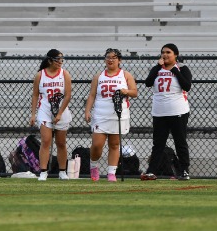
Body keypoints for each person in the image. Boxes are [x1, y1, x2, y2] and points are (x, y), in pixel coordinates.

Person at [84, 48, 138, 181]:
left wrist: (126, 91)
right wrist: (87, 110)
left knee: (114, 144)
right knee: (97, 145)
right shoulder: (99, 76)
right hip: (101, 114)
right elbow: (92, 95)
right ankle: (93, 166)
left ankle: (111, 173)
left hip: (118, 114)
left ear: (119, 60)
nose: (110, 60)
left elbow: (134, 92)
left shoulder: (125, 75)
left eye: (114, 57)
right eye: (108, 57)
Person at [142, 43, 192, 181]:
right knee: (158, 144)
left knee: (180, 142)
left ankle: (184, 171)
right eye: (163, 52)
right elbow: (148, 83)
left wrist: (175, 71)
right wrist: (158, 67)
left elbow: (187, 86)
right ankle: (151, 171)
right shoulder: (157, 69)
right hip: (159, 112)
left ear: (176, 54)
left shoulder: (182, 68)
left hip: (178, 111)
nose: (165, 55)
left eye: (168, 52)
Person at [29, 49, 72, 181]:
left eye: (61, 60)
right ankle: (43, 171)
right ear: (50, 61)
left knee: (61, 143)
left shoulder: (64, 74)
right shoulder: (40, 75)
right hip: (45, 111)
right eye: (57, 59)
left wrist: (59, 113)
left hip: (61, 111)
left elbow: (68, 95)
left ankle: (62, 171)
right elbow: (35, 95)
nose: (60, 62)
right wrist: (33, 114)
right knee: (46, 141)